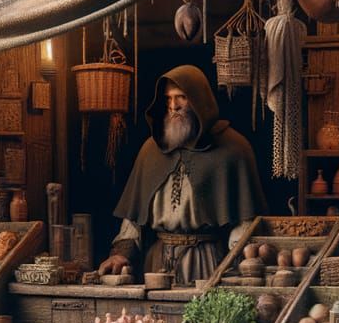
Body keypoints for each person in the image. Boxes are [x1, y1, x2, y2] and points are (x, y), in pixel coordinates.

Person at [98, 64, 266, 285]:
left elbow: (246, 222)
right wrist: (121, 253)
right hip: (156, 264)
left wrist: (236, 264)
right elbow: (133, 219)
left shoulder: (233, 149)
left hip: (207, 263)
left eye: (181, 98)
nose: (173, 106)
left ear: (199, 100)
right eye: (168, 99)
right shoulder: (151, 150)